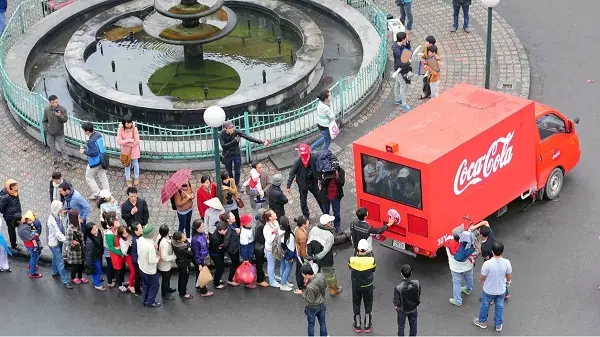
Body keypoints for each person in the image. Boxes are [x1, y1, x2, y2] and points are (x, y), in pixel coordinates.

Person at [473, 242, 512, 332]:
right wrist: (508, 282)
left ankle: (482, 321)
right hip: (501, 290)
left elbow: (482, 276)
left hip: (488, 290)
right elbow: (508, 276)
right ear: (502, 252)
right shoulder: (507, 262)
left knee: (485, 305)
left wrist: (480, 281)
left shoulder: (487, 264)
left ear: (492, 251)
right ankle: (498, 325)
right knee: (500, 306)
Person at [219, 120, 269, 186]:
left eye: (232, 127)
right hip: (227, 155)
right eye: (230, 128)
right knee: (229, 172)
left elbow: (248, 137)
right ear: (225, 128)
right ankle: (231, 184)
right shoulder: (221, 134)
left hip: (236, 154)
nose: (232, 129)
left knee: (237, 171)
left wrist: (262, 142)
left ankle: (237, 184)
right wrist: (234, 141)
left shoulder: (236, 132)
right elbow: (224, 146)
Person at [307, 214, 342, 296]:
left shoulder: (313, 229)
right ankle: (333, 290)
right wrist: (317, 257)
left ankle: (315, 290)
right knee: (330, 275)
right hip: (325, 259)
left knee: (315, 274)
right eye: (330, 222)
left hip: (313, 256)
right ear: (326, 224)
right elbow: (326, 250)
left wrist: (311, 255)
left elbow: (309, 243)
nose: (332, 223)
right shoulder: (329, 235)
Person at [286, 145, 323, 219]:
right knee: (303, 200)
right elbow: (292, 173)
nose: (304, 156)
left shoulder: (314, 157)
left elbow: (320, 167)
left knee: (319, 197)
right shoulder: (298, 161)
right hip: (303, 184)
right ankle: (306, 215)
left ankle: (325, 212)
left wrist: (321, 178)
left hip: (313, 182)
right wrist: (288, 186)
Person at [349, 239, 377, 333]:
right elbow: (373, 270)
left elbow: (350, 268)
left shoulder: (352, 259)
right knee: (368, 304)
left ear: (358, 249)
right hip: (368, 286)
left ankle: (357, 325)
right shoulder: (371, 260)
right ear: (367, 249)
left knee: (356, 304)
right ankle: (367, 325)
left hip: (356, 286)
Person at [445, 226, 475, 307]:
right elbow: (474, 252)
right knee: (469, 278)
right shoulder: (468, 242)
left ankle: (458, 300)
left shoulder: (448, 241)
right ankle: (468, 289)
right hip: (468, 266)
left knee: (456, 283)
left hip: (455, 268)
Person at [80, 122, 110, 200]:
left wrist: (84, 151)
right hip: (102, 159)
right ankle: (107, 193)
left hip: (95, 162)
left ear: (87, 131)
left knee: (89, 177)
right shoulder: (98, 135)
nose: (83, 131)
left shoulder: (91, 141)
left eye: (84, 130)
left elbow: (94, 153)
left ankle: (97, 193)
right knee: (102, 176)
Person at [47, 200, 73, 288]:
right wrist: (68, 241)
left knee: (55, 257)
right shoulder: (51, 221)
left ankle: (54, 271)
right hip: (54, 243)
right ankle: (65, 281)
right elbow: (58, 234)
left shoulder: (57, 215)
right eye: (61, 207)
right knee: (60, 262)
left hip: (58, 242)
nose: (62, 208)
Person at [43, 95, 73, 169]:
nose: (55, 104)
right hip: (50, 134)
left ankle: (66, 161)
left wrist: (60, 115)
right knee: (52, 148)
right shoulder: (47, 110)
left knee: (63, 148)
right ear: (50, 102)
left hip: (59, 133)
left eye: (56, 102)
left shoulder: (62, 109)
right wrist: (47, 130)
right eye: (53, 102)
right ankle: (55, 160)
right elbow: (44, 121)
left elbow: (65, 120)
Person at [301, 263, 328, 337]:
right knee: (322, 323)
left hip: (312, 308)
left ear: (307, 274)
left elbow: (311, 300)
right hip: (322, 304)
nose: (302, 275)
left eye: (303, 274)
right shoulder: (320, 275)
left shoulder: (310, 287)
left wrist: (302, 293)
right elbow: (325, 285)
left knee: (311, 325)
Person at [394, 264, 421, 336]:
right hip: (413, 308)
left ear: (401, 273)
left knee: (401, 327)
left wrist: (396, 306)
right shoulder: (417, 283)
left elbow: (396, 301)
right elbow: (418, 294)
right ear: (411, 273)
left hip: (402, 310)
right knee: (413, 325)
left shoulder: (398, 288)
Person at [319, 158, 345, 234]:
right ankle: (326, 227)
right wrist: (323, 178)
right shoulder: (323, 170)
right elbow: (323, 185)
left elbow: (342, 183)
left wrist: (337, 177)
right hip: (325, 196)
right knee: (326, 213)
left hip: (336, 195)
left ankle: (337, 226)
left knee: (336, 213)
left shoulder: (341, 171)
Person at [138, 225, 161, 307]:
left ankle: (144, 299)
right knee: (155, 286)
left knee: (145, 285)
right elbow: (152, 260)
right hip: (149, 270)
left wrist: (153, 244)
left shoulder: (140, 239)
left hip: (141, 266)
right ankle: (150, 302)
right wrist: (158, 258)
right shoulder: (150, 247)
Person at [116, 113, 141, 187]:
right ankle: (128, 179)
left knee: (136, 164)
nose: (129, 124)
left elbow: (137, 141)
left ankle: (137, 177)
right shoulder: (120, 130)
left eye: (130, 122)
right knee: (127, 165)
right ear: (124, 123)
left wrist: (125, 143)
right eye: (127, 123)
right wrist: (129, 140)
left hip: (134, 151)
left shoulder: (134, 129)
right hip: (125, 151)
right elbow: (119, 141)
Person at [190, 219, 213, 297]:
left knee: (199, 273)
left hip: (202, 258)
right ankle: (203, 291)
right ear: (197, 229)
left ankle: (198, 285)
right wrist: (199, 264)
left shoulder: (201, 234)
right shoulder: (195, 240)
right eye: (202, 227)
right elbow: (196, 253)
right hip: (199, 259)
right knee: (201, 273)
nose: (204, 228)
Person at [105, 212, 126, 292]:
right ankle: (120, 284)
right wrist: (121, 253)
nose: (118, 222)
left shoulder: (118, 229)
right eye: (116, 222)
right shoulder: (109, 235)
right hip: (116, 256)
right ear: (112, 225)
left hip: (121, 253)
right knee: (118, 271)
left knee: (122, 268)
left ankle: (122, 281)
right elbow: (111, 248)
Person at [18, 211, 43, 279]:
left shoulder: (25, 225)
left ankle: (30, 265)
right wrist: (36, 235)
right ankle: (32, 273)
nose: (32, 222)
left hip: (29, 244)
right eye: (31, 220)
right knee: (34, 256)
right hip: (31, 245)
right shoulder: (23, 229)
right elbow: (32, 236)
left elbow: (33, 231)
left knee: (33, 255)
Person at [172, 231, 195, 299]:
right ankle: (183, 293)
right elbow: (190, 253)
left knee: (181, 276)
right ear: (179, 240)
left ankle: (180, 290)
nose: (185, 237)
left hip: (180, 262)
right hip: (184, 264)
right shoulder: (182, 248)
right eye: (183, 237)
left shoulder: (174, 242)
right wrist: (188, 243)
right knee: (184, 278)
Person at [66, 209, 87, 284]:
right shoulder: (70, 229)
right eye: (78, 217)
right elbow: (68, 242)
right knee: (75, 266)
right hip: (74, 253)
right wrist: (75, 243)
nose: (79, 218)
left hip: (81, 250)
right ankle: (73, 277)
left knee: (81, 265)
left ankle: (80, 276)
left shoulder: (78, 225)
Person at [392, 32, 412, 111]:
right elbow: (400, 63)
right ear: (403, 39)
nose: (407, 39)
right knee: (403, 86)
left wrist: (407, 43)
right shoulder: (397, 51)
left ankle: (397, 99)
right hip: (400, 70)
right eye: (406, 38)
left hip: (399, 68)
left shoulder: (400, 45)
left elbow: (407, 50)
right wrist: (408, 62)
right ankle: (404, 104)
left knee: (397, 84)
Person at [0, 179, 22, 250]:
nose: (16, 187)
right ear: (10, 187)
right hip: (10, 217)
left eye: (16, 185)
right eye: (14, 186)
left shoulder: (15, 192)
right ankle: (14, 245)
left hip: (17, 214)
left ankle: (31, 243)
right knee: (12, 231)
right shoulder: (5, 197)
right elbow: (1, 208)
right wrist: (10, 212)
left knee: (23, 227)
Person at [221, 212, 241, 287]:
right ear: (228, 219)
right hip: (232, 250)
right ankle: (230, 280)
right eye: (232, 216)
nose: (234, 216)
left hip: (235, 248)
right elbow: (226, 242)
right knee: (234, 264)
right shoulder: (228, 229)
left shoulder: (233, 225)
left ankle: (234, 277)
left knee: (236, 263)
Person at [85, 223, 106, 291]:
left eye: (96, 228)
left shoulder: (98, 234)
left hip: (98, 256)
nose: (96, 230)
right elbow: (88, 254)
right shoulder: (90, 242)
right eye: (93, 230)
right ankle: (97, 285)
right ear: (89, 231)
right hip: (94, 258)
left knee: (97, 270)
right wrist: (89, 264)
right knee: (98, 270)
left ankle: (95, 279)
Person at [157, 225, 176, 300]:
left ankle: (167, 289)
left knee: (167, 279)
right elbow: (164, 257)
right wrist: (174, 256)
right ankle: (164, 294)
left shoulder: (159, 236)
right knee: (165, 280)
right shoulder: (164, 243)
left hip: (163, 265)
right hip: (164, 266)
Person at [262, 209, 281, 287]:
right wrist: (274, 233)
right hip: (270, 249)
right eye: (273, 213)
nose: (275, 213)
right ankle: (272, 281)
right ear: (270, 217)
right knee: (271, 264)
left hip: (276, 247)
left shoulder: (276, 222)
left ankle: (272, 275)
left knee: (273, 263)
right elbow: (269, 240)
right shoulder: (266, 228)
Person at [118, 226, 137, 294]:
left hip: (133, 254)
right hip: (128, 256)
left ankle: (132, 281)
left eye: (126, 232)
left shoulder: (130, 235)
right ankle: (130, 285)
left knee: (135, 270)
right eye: (124, 234)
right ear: (121, 234)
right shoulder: (121, 240)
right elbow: (125, 252)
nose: (126, 234)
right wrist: (130, 246)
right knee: (133, 271)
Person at [209, 219, 227, 290]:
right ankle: (216, 283)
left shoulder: (219, 233)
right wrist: (222, 245)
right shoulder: (215, 238)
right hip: (215, 254)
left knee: (220, 267)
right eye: (224, 230)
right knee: (220, 268)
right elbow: (216, 248)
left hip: (218, 251)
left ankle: (217, 279)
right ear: (219, 230)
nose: (225, 231)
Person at [278, 216, 296, 292]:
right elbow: (291, 248)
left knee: (282, 266)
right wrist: (291, 257)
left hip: (281, 252)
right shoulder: (289, 235)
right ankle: (283, 284)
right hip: (287, 254)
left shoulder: (278, 230)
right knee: (288, 268)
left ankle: (284, 281)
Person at [252, 208, 269, 287]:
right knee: (259, 263)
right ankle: (260, 280)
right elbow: (258, 237)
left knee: (261, 263)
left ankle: (261, 274)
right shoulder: (260, 226)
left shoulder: (262, 223)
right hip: (259, 248)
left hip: (260, 247)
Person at [294, 216, 310, 295]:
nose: (308, 222)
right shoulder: (302, 236)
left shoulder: (297, 229)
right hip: (301, 254)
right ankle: (301, 286)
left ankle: (301, 284)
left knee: (298, 269)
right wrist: (305, 259)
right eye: (307, 221)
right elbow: (303, 249)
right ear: (303, 224)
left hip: (298, 252)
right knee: (301, 269)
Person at [130, 222, 143, 294]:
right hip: (137, 260)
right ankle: (137, 290)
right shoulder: (136, 240)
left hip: (138, 259)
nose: (142, 229)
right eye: (140, 228)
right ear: (135, 231)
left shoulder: (138, 236)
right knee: (138, 275)